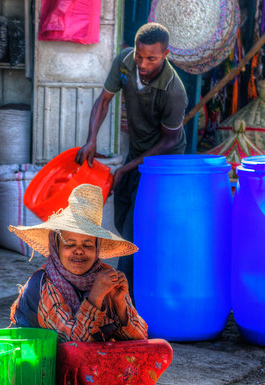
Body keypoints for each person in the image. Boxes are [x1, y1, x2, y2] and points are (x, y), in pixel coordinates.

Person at [10, 184, 172, 385]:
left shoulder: (106, 275)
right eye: (70, 244)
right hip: (42, 378)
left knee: (161, 348)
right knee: (76, 352)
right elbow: (73, 342)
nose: (79, 252)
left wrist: (119, 304)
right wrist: (95, 296)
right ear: (56, 245)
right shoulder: (42, 284)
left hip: (85, 369)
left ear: (97, 249)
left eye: (87, 245)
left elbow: (139, 338)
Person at [74, 22, 187, 288]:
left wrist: (125, 169)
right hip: (137, 151)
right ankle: (137, 276)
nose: (143, 63)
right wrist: (92, 140)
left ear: (166, 54)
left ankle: (126, 296)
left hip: (164, 162)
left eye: (152, 58)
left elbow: (170, 140)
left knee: (135, 226)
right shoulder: (125, 62)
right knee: (122, 213)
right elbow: (104, 99)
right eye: (140, 55)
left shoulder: (174, 90)